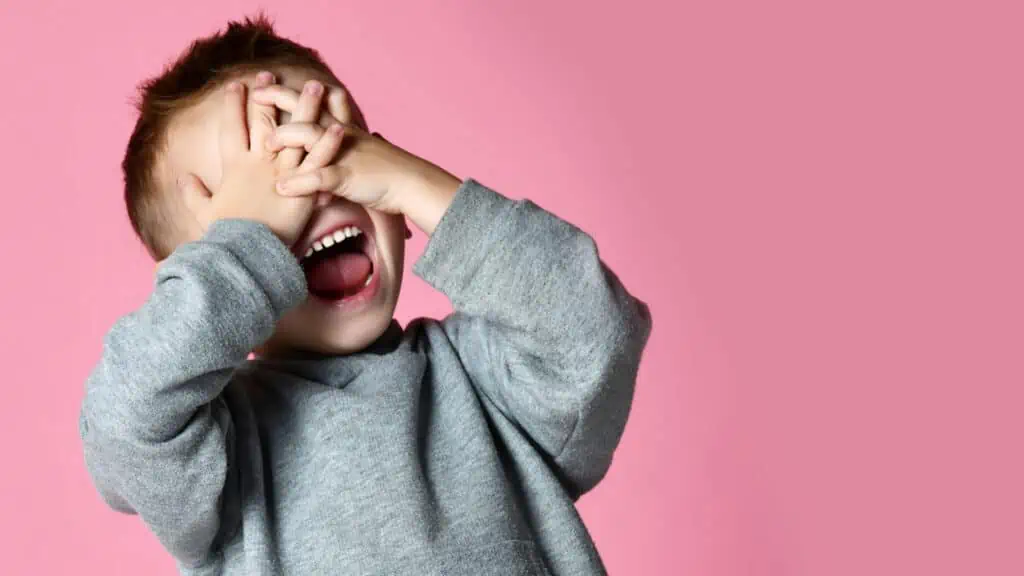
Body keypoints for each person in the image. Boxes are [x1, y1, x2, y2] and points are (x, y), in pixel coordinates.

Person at [80, 15, 651, 575]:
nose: (308, 194)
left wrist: (413, 181)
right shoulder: (217, 454)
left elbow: (594, 327)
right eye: (252, 199)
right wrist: (245, 248)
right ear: (193, 276)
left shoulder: (487, 381)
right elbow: (125, 424)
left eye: (330, 153)